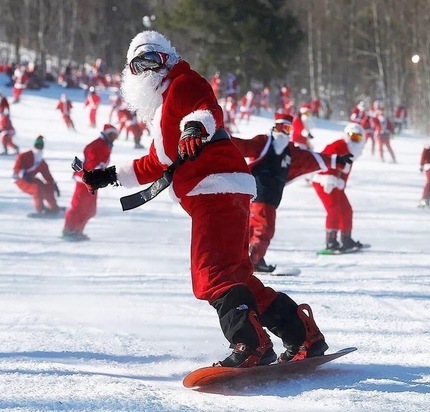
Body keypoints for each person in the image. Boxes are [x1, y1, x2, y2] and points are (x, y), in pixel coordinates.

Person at [78, 30, 328, 367]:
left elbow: (206, 108)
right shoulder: (162, 107)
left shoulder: (183, 82)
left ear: (168, 59)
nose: (149, 68)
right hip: (224, 187)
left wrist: (194, 127)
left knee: (212, 273)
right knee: (237, 276)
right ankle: (302, 335)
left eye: (155, 59)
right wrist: (108, 175)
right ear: (130, 72)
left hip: (215, 186)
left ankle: (251, 344)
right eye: (140, 64)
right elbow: (157, 163)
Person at [232, 113, 353, 272]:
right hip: (261, 194)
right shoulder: (264, 143)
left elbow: (310, 159)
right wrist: (221, 139)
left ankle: (236, 259)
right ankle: (254, 260)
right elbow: (243, 145)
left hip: (268, 197)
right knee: (264, 228)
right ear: (274, 127)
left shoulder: (290, 151)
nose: (283, 132)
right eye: (280, 127)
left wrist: (336, 160)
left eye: (287, 128)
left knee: (251, 229)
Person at [312, 123, 366, 251]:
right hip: (324, 182)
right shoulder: (339, 145)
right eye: (352, 136)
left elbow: (345, 172)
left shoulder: (352, 151)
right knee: (333, 210)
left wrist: (341, 183)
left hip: (337, 183)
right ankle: (331, 241)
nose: (354, 140)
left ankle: (346, 239)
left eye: (357, 138)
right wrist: (329, 179)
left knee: (346, 209)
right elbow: (326, 159)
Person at [62, 124, 119, 241]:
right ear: (107, 133)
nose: (114, 138)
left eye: (116, 136)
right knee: (78, 206)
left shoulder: (106, 144)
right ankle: (68, 230)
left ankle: (77, 230)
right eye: (112, 135)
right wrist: (99, 168)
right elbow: (90, 156)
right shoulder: (98, 144)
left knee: (90, 209)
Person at [12, 136, 62, 214]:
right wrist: (23, 173)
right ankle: (40, 209)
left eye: (40, 145)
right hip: (20, 179)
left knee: (47, 187)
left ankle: (54, 208)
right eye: (37, 145)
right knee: (37, 188)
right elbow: (16, 168)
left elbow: (47, 176)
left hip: (31, 179)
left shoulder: (41, 162)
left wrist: (53, 184)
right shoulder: (24, 156)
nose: (39, 147)